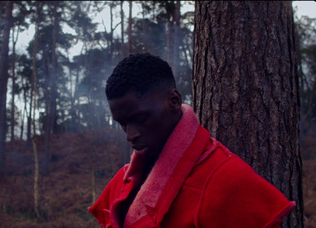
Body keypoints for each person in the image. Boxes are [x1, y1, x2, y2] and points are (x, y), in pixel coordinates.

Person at [88, 53, 295, 228]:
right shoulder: (121, 182)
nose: (130, 135)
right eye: (122, 123)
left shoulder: (227, 179)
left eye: (140, 119)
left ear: (174, 101)